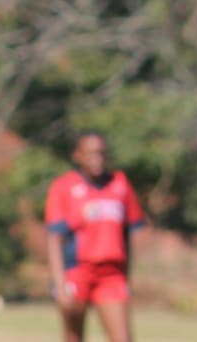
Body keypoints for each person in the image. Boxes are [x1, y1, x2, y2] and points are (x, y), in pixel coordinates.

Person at [46, 132, 146, 342]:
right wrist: (59, 284)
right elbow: (54, 239)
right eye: (90, 153)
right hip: (77, 272)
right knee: (73, 336)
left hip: (112, 275)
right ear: (77, 156)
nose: (97, 158)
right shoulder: (63, 186)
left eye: (101, 153)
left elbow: (128, 235)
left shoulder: (120, 184)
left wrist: (127, 277)